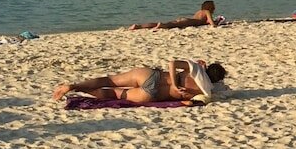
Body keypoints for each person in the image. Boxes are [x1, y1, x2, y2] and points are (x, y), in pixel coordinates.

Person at [53, 59, 227, 104]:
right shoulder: (205, 90)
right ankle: (77, 89)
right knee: (114, 94)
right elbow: (220, 91)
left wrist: (175, 82)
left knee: (110, 80)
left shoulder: (194, 68)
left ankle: (74, 85)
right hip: (152, 95)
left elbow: (172, 63)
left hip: (151, 75)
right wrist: (176, 90)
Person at [128, 1, 217, 31]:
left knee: (166, 23)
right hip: (188, 22)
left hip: (186, 19)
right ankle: (162, 25)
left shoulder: (199, 12)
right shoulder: (207, 12)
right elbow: (212, 24)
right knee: (168, 25)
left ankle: (138, 26)